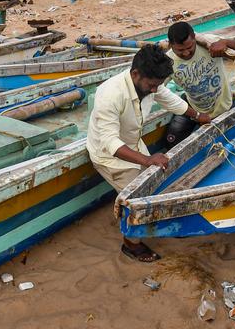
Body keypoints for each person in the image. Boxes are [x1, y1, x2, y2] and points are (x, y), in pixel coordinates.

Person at [86, 44, 213, 262]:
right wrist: (147, 159)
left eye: (158, 85)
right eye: (152, 85)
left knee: (154, 185)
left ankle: (154, 223)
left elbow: (170, 99)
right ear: (136, 74)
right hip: (110, 157)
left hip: (133, 144)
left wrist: (198, 116)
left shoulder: (149, 83)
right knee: (136, 200)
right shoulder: (110, 94)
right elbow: (110, 143)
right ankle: (131, 245)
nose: (155, 90)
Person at [164, 22, 235, 148]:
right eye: (180, 50)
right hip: (193, 109)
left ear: (195, 38)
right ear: (170, 45)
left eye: (189, 47)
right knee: (171, 142)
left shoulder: (209, 43)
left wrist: (225, 42)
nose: (186, 53)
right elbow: (156, 88)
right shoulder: (167, 62)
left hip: (223, 106)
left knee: (228, 141)